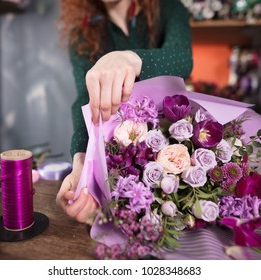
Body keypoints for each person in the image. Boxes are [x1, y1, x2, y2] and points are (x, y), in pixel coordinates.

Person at [56, 0, 193, 224]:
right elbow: (85, 97)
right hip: (123, 157)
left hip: (176, 141)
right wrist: (81, 161)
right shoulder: (83, 32)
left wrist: (129, 58)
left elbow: (182, 59)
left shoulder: (168, 8)